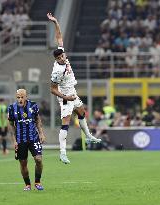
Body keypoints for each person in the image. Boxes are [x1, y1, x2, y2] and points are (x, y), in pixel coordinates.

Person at [47, 13, 101, 164]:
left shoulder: (62, 53)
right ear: (56, 60)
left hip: (72, 92)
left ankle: (89, 136)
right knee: (66, 123)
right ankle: (62, 152)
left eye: (63, 56)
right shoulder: (57, 71)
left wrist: (56, 22)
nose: (62, 58)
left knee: (82, 112)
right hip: (65, 96)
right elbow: (52, 89)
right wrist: (66, 98)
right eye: (59, 58)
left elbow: (58, 36)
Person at [8, 89, 46, 191]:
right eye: (18, 97)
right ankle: (27, 184)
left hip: (34, 138)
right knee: (23, 163)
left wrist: (41, 133)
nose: (20, 99)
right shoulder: (12, 108)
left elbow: (37, 119)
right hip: (20, 140)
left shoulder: (33, 105)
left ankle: (37, 182)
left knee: (38, 159)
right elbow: (11, 125)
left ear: (26, 97)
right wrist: (14, 140)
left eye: (22, 97)